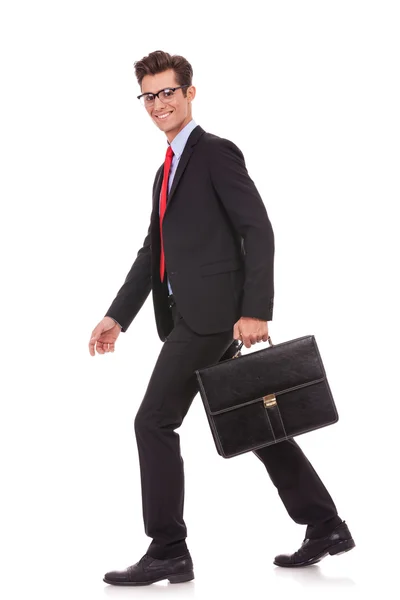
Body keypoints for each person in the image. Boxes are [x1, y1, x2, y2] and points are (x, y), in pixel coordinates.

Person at [89, 50, 355, 586]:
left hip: (211, 321)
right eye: (149, 95)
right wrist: (118, 315)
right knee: (250, 417)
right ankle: (325, 524)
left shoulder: (213, 154)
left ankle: (168, 548)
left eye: (167, 92)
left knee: (153, 421)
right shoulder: (165, 171)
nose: (158, 103)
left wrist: (255, 310)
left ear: (190, 93)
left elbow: (258, 229)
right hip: (190, 316)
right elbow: (153, 252)